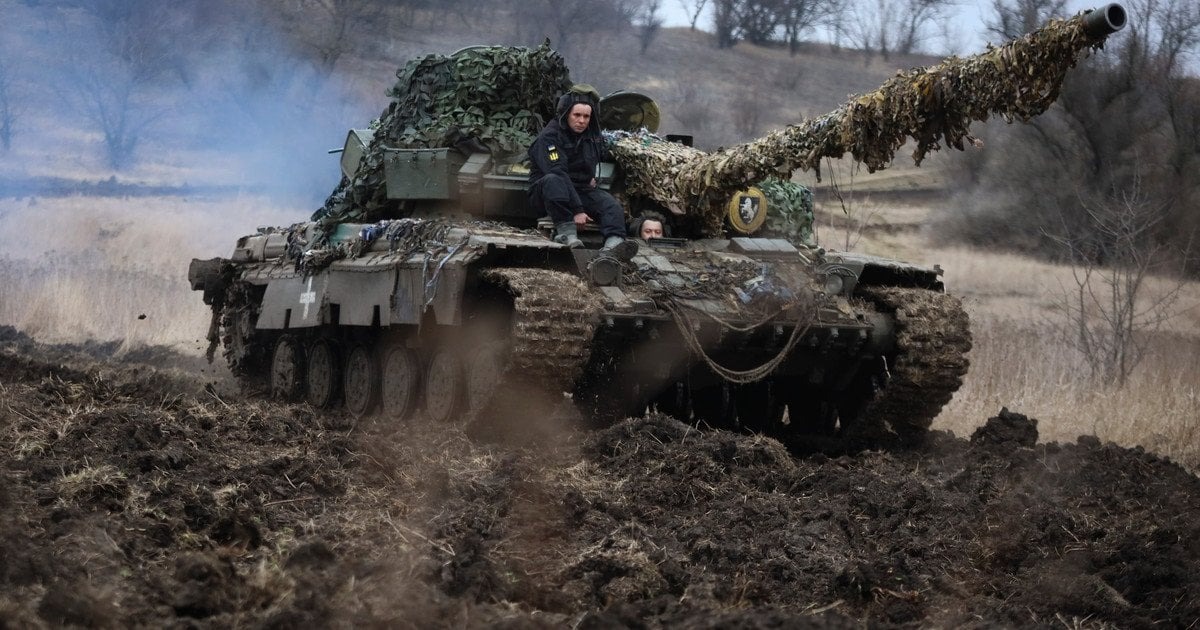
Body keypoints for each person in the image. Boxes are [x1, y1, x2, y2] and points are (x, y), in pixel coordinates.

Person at [528, 85, 636, 259]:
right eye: (576, 115)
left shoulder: (591, 136)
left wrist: (590, 177)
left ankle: (614, 245)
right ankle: (567, 234)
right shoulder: (549, 137)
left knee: (610, 205)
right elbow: (558, 172)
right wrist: (578, 210)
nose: (581, 121)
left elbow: (597, 157)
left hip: (579, 189)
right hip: (548, 193)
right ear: (566, 114)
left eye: (586, 116)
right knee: (553, 180)